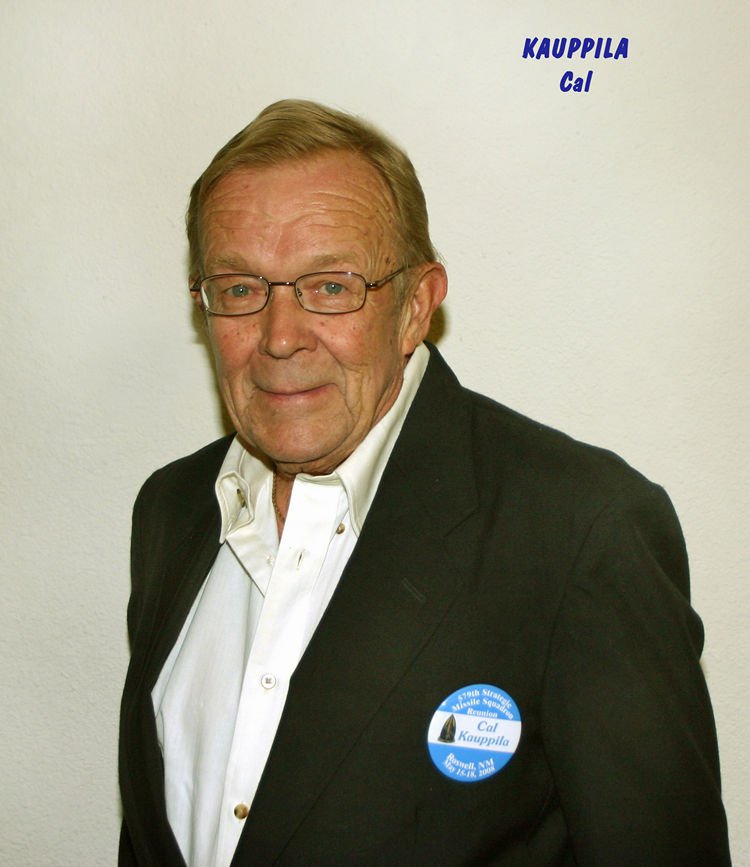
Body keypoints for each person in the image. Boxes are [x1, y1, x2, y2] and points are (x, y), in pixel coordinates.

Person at [119, 99, 730, 866]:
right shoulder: (172, 512)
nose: (278, 337)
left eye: (330, 286)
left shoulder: (578, 533)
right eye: (240, 288)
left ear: (415, 306)